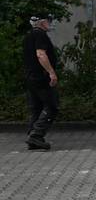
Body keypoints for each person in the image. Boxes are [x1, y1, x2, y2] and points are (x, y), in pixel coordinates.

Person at [22, 15, 60, 150]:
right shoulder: (40, 35)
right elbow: (40, 54)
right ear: (42, 22)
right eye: (48, 21)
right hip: (40, 77)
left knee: (36, 107)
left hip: (30, 76)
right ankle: (36, 135)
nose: (49, 23)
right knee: (52, 106)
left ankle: (32, 137)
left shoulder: (28, 36)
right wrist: (51, 72)